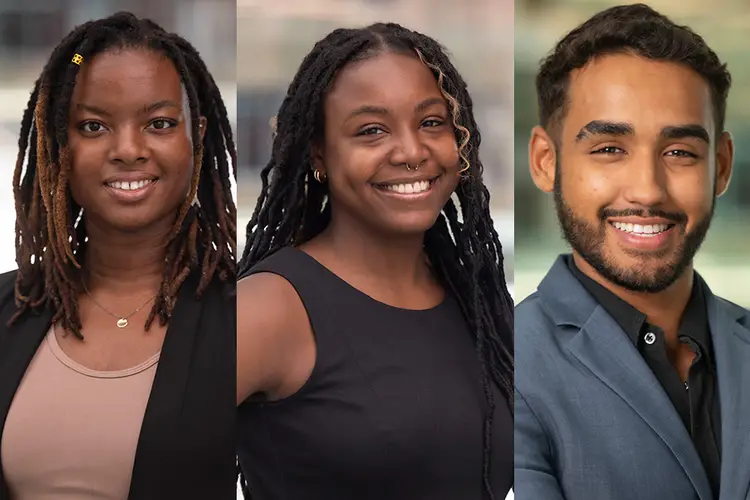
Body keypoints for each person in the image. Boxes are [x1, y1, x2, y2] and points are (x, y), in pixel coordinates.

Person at [236, 23, 514, 500]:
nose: (411, 151)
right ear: (319, 153)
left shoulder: (480, 302)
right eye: (371, 130)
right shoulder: (267, 308)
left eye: (431, 122)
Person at [514, 4, 749, 500]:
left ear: (722, 167)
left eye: (680, 152)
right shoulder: (493, 369)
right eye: (608, 149)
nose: (647, 190)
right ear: (545, 161)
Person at [0, 12, 237, 499]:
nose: (128, 149)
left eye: (159, 123)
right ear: (59, 145)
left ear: (197, 138)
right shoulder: (8, 307)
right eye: (92, 126)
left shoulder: (250, 315)